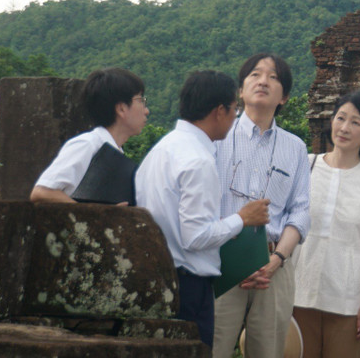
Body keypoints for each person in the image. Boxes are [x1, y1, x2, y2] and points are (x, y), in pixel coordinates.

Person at [136, 70, 271, 349]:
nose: (236, 117)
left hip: (156, 277)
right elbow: (195, 236)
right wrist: (242, 219)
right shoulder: (198, 161)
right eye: (235, 109)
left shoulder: (160, 151)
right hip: (188, 286)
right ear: (219, 111)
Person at [213, 53, 311, 358]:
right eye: (255, 74)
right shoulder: (217, 138)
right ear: (240, 91)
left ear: (285, 97)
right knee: (212, 347)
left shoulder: (295, 147)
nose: (263, 81)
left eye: (274, 77)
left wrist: (277, 259)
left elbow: (300, 211)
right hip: (221, 261)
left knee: (268, 351)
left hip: (273, 266)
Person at [293, 89, 360, 358]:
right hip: (298, 292)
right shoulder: (306, 166)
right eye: (341, 118)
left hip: (348, 299)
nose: (345, 127)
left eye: (356, 122)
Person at [30, 67, 148, 203]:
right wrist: (97, 216)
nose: (146, 110)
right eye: (141, 101)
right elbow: (42, 192)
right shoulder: (88, 144)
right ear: (121, 108)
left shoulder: (115, 151)